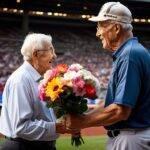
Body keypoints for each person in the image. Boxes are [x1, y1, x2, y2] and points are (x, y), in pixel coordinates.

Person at [66, 2, 150, 150]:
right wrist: (81, 117)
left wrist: (82, 122)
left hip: (131, 139)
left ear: (116, 28)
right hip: (129, 136)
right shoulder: (130, 52)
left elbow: (121, 111)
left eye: (101, 26)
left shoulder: (129, 55)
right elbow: (109, 106)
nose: (98, 33)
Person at [0, 33, 70, 150]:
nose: (54, 55)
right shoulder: (21, 80)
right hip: (24, 146)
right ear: (36, 54)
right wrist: (56, 128)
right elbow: (21, 127)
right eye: (51, 50)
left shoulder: (40, 78)